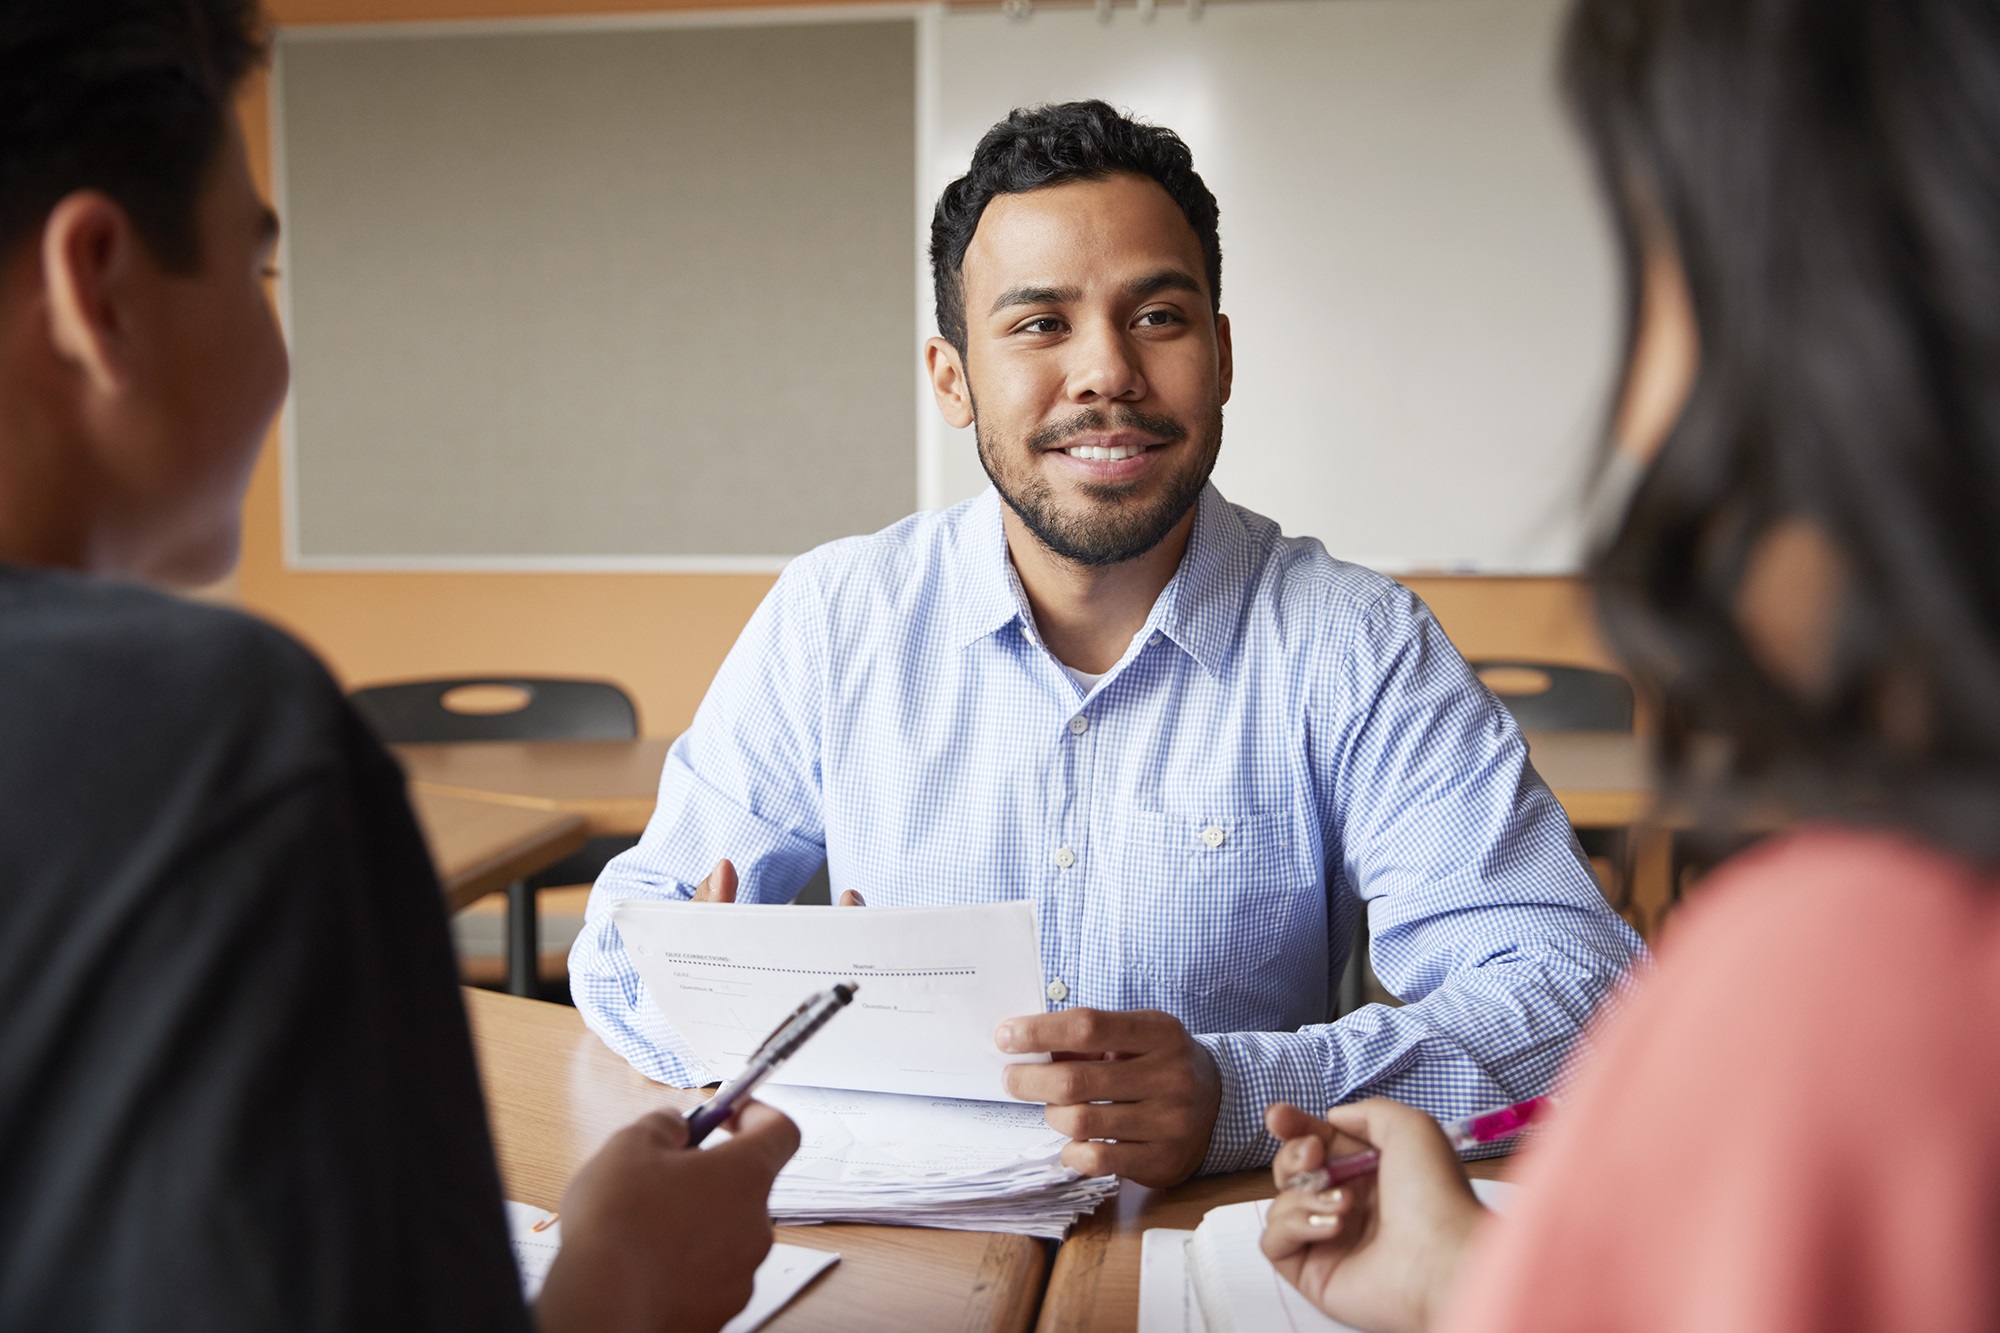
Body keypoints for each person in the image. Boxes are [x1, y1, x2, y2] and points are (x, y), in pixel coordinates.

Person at [570, 99, 1644, 1188]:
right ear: (953, 380)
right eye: (1039, 325)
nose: (1105, 373)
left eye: (1158, 317)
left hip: (1224, 1239)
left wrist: (1239, 1093)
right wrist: (723, 996)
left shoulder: (1352, 643)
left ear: (1220, 356)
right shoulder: (835, 617)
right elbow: (620, 944)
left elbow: (1575, 989)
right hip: (898, 1239)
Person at [0, 3, 797, 1329]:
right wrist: (615, 1287)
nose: (276, 357)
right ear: (101, 288)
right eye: (258, 277)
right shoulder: (226, 746)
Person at [1258, 0, 2000, 1329]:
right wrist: (1457, 1278)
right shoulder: (839, 626)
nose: (1643, 412)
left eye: (1669, 277)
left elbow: (1565, 976)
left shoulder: (1841, 988)